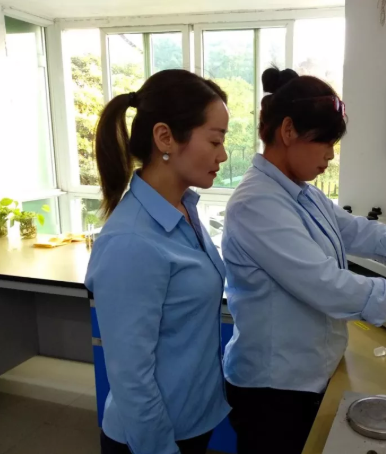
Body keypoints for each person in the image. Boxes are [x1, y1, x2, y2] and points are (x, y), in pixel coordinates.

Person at [221, 68, 386, 454]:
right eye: (324, 141)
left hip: (309, 374)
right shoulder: (256, 202)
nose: (330, 155)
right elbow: (326, 285)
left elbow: (357, 231)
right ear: (288, 131)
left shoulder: (303, 194)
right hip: (273, 388)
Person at [85, 69, 230, 454]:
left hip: (193, 419)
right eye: (215, 140)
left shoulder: (183, 209)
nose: (223, 155)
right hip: (154, 438)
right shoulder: (131, 241)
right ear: (165, 137)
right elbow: (131, 379)